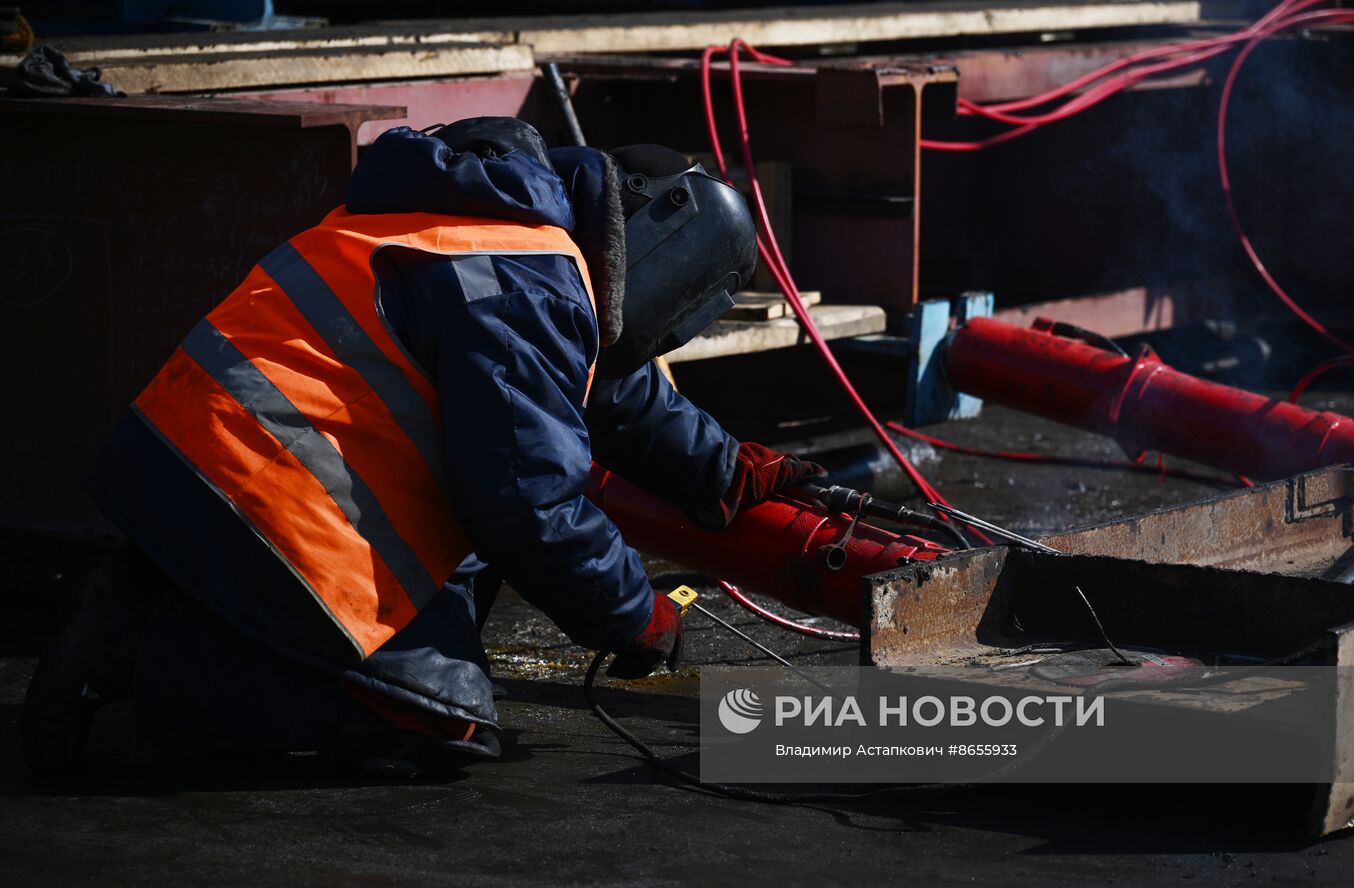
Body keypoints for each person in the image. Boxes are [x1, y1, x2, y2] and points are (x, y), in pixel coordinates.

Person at [23, 117, 824, 778]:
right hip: (264, 500)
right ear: (662, 238)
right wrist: (633, 615)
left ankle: (168, 603)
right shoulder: (531, 276)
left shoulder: (480, 222)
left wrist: (721, 469)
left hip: (177, 468)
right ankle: (138, 659)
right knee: (440, 719)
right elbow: (526, 503)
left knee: (453, 592)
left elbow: (605, 385)